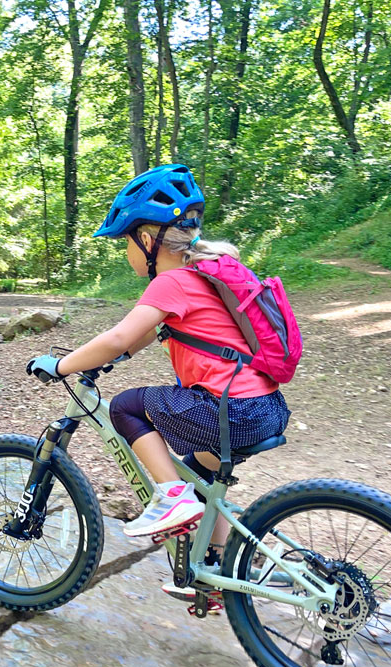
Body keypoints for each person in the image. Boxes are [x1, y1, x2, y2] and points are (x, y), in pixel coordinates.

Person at [26, 164, 290, 597]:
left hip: (230, 410)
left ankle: (171, 499)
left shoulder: (172, 281)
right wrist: (110, 357)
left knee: (127, 407)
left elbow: (119, 336)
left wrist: (61, 365)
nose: (126, 254)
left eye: (125, 244)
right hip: (263, 409)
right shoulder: (205, 276)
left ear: (147, 241)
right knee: (202, 474)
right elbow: (143, 337)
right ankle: (215, 570)